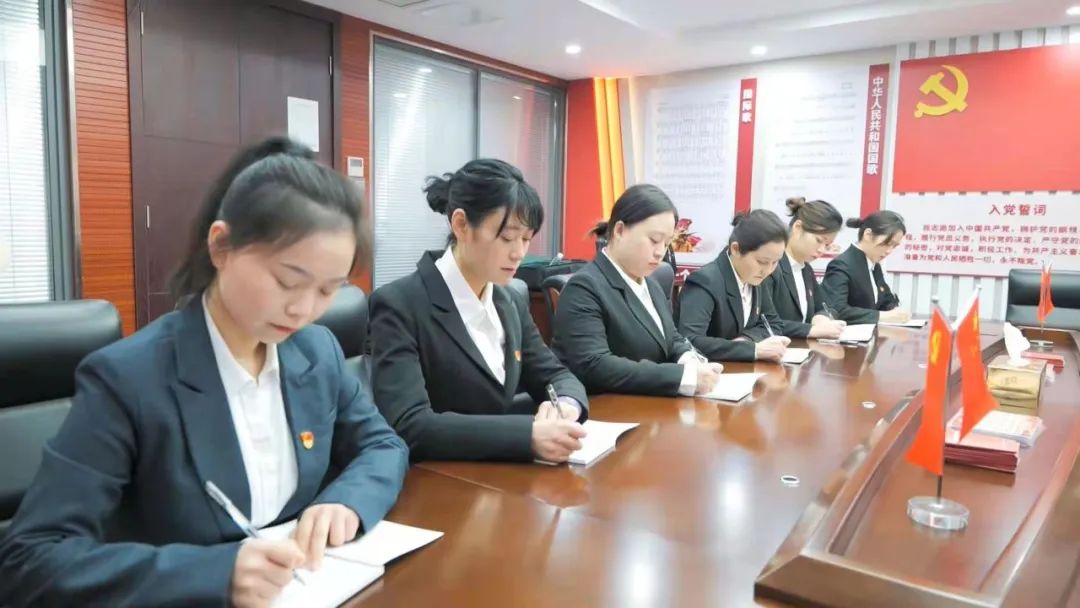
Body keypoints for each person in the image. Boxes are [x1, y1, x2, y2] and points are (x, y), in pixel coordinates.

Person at [0, 137, 409, 608]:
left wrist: (347, 500)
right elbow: (30, 559)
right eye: (287, 281)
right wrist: (216, 573)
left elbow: (383, 445)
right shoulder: (128, 379)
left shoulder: (316, 352)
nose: (303, 310)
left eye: (327, 290)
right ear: (221, 246)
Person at [369, 158, 589, 464]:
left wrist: (565, 404)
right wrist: (525, 436)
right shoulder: (399, 304)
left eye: (526, 239)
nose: (519, 253)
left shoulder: (509, 300)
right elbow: (409, 424)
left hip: (500, 475)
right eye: (507, 237)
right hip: (437, 479)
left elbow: (554, 373)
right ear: (461, 225)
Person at [551, 184, 724, 396]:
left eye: (667, 243)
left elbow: (671, 338)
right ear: (620, 231)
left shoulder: (651, 284)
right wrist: (683, 377)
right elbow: (595, 364)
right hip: (606, 407)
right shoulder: (584, 288)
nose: (660, 252)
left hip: (651, 403)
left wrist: (691, 361)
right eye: (654, 240)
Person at [678, 210, 792, 362]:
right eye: (762, 261)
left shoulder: (756, 276)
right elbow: (690, 340)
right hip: (709, 369)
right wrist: (753, 350)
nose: (768, 270)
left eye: (775, 262)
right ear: (736, 249)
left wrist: (746, 339)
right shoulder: (705, 280)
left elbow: (773, 323)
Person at [758, 197, 847, 339]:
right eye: (819, 241)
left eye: (827, 245)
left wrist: (822, 317)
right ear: (798, 228)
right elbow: (764, 322)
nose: (822, 250)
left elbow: (827, 306)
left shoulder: (806, 270)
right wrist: (811, 330)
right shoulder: (771, 266)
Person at [821, 210, 912, 324]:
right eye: (887, 243)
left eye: (894, 246)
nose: (889, 251)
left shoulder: (874, 265)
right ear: (868, 235)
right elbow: (837, 310)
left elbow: (885, 299)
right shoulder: (841, 265)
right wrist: (882, 316)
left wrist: (896, 310)